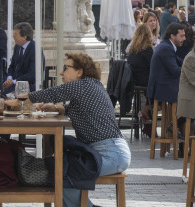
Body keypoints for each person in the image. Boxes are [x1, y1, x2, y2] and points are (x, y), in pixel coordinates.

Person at [15, 52, 131, 207]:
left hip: (111, 154)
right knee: (60, 171)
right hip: (107, 151)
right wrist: (57, 108)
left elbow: (53, 93)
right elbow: (76, 109)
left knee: (62, 174)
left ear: (79, 72)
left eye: (66, 68)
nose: (61, 72)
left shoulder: (82, 85)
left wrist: (21, 99)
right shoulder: (91, 85)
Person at [147, 23, 185, 105]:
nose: (184, 38)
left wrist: (191, 64)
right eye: (181, 36)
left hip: (161, 85)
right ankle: (183, 117)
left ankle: (181, 116)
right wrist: (191, 68)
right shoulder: (166, 48)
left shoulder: (165, 45)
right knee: (190, 92)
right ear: (172, 36)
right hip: (162, 87)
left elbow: (181, 62)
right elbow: (175, 71)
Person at [2, 22, 41, 94]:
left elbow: (32, 75)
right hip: (15, 85)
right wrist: (9, 78)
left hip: (29, 87)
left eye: (15, 34)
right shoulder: (17, 47)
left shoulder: (35, 50)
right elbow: (12, 66)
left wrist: (13, 81)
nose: (13, 36)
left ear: (24, 37)